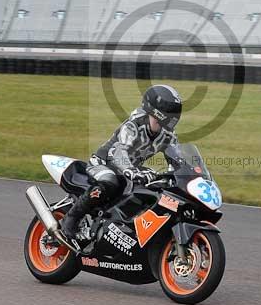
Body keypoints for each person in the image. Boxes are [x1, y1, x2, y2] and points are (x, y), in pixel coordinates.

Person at [59, 84, 183, 242]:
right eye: (167, 114)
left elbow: (177, 160)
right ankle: (71, 219)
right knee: (110, 182)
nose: (165, 123)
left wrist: (181, 176)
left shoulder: (168, 135)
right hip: (104, 163)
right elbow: (119, 151)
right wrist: (131, 170)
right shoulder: (134, 125)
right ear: (154, 111)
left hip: (130, 169)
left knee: (154, 187)